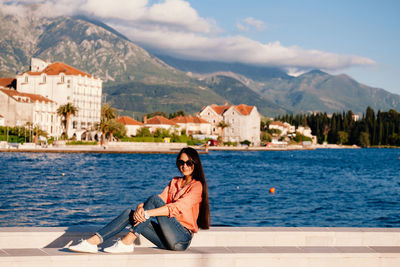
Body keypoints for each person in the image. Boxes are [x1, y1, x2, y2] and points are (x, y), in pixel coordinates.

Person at [68, 147, 210, 253]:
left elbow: (176, 207)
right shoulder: (175, 181)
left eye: (188, 162)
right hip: (166, 239)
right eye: (181, 162)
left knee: (152, 201)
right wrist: (140, 207)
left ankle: (128, 241)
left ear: (195, 163)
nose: (184, 166)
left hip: (181, 238)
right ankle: (93, 242)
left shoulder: (197, 186)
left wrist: (147, 213)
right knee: (130, 214)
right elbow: (161, 198)